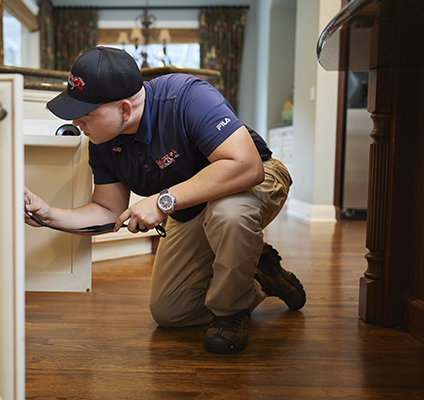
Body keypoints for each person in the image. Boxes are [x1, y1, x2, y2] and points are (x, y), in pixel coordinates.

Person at [24, 46, 306, 355]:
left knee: (229, 213)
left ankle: (230, 314)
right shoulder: (102, 142)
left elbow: (246, 166)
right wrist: (47, 214)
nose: (77, 122)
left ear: (124, 110)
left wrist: (162, 202)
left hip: (255, 179)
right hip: (190, 205)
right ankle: (261, 274)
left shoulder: (187, 96)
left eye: (86, 114)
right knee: (171, 311)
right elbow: (107, 211)